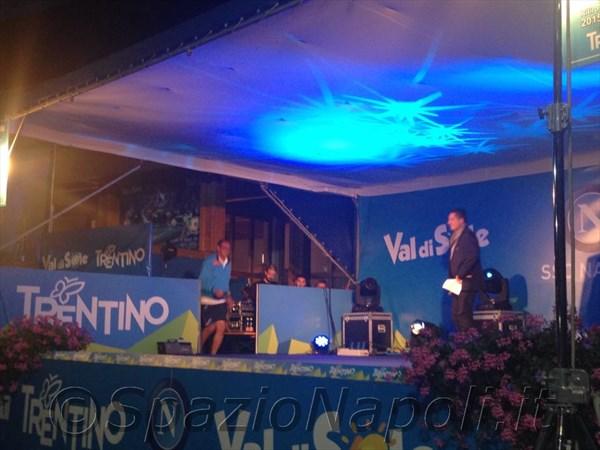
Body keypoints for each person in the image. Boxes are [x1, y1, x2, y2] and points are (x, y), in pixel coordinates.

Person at [447, 208, 484, 331]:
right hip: (457, 282)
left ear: (461, 220)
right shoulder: (455, 238)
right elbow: (453, 261)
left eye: (452, 219)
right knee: (456, 315)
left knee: (463, 314)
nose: (449, 222)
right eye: (449, 219)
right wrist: (452, 280)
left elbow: (472, 257)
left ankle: (470, 341)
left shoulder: (467, 236)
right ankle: (462, 340)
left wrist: (460, 274)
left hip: (467, 281)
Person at [198, 239, 233, 355]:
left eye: (228, 248)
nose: (226, 250)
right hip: (208, 299)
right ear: (218, 248)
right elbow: (202, 281)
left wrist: (229, 295)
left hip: (221, 300)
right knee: (210, 328)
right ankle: (197, 349)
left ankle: (213, 355)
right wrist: (213, 290)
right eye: (224, 247)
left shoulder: (228, 263)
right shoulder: (209, 262)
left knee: (221, 326)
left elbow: (226, 283)